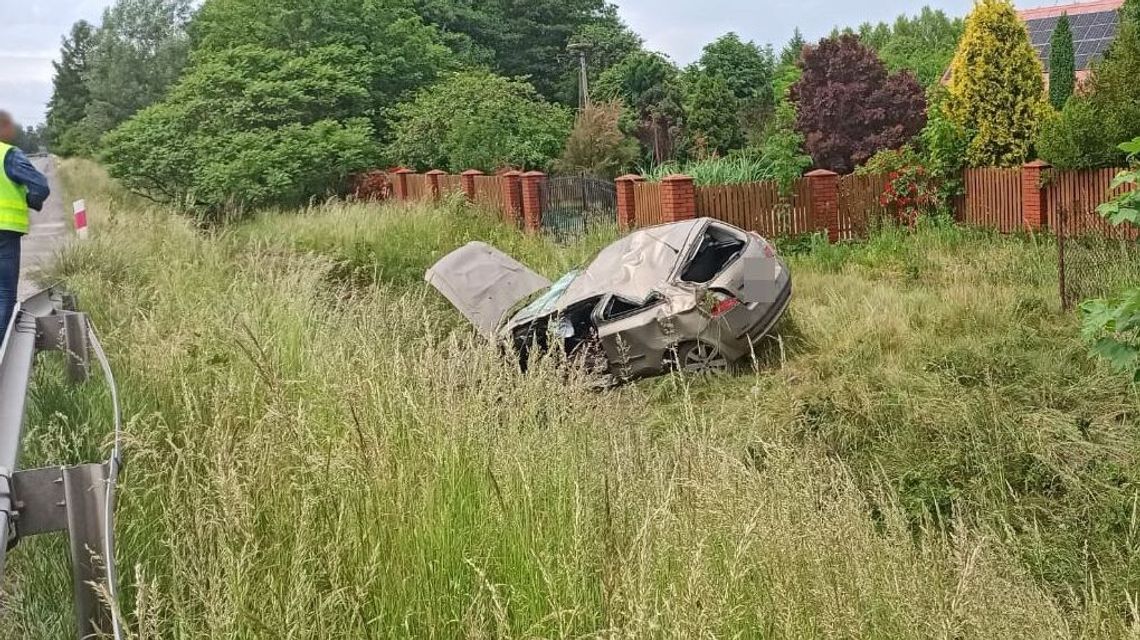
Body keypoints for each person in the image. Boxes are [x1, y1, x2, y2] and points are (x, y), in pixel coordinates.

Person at [0, 110, 50, 342]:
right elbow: (39, 185)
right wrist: (30, 200)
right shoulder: (8, 154)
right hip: (4, 232)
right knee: (3, 294)